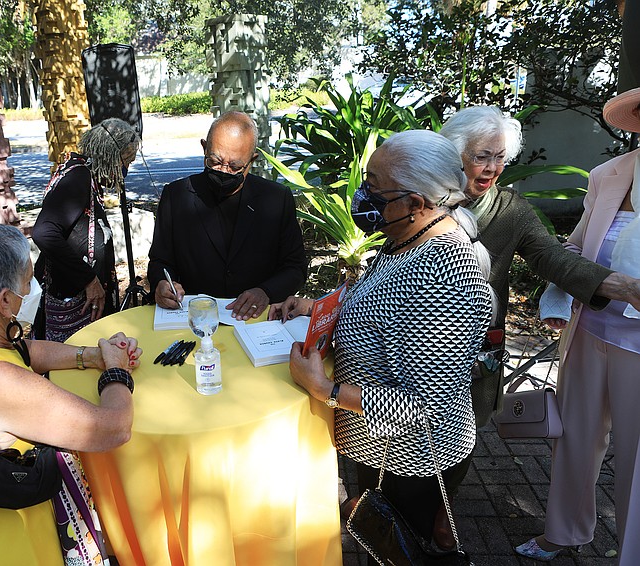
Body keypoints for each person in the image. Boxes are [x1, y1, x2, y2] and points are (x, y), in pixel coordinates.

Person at [272, 130, 493, 563]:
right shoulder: (405, 240)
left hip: (410, 458)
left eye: (374, 187)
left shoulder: (444, 275)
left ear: (416, 203)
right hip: (380, 447)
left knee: (397, 550)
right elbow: (382, 305)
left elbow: (424, 406)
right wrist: (317, 307)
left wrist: (325, 389)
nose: (363, 194)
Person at [435, 105, 640, 550]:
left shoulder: (511, 211)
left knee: (462, 431)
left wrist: (614, 285)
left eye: (500, 157)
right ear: (455, 154)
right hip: (409, 337)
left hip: (473, 343)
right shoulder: (420, 195)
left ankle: (442, 512)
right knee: (397, 424)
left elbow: (553, 256)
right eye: (482, 155)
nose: (491, 167)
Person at [0, 222, 141, 565]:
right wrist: (116, 371)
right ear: (6, 301)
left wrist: (92, 356)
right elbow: (113, 428)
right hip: (6, 548)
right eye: (29, 279)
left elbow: (22, 350)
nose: (34, 286)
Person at [512, 88, 640, 563]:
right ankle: (563, 531)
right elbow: (577, 246)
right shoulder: (609, 173)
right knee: (574, 437)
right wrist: (559, 296)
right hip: (590, 328)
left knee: (635, 457)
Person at [147, 110, 307, 321]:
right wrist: (162, 283)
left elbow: (295, 267)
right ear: (204, 148)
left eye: (235, 166)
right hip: (193, 318)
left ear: (252, 161)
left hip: (256, 320)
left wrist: (265, 291)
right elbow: (160, 260)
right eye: (215, 161)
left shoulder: (276, 199)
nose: (223, 171)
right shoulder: (176, 196)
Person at [32, 118, 140, 342]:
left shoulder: (85, 176)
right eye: (125, 160)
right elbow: (44, 232)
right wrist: (89, 280)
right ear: (110, 155)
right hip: (73, 302)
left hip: (81, 299)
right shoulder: (78, 179)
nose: (125, 169)